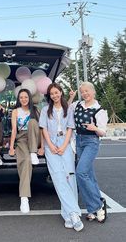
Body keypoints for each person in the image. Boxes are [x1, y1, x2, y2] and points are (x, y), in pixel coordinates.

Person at [39, 83, 84, 231]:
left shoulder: (68, 109)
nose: (54, 95)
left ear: (60, 93)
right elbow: (43, 129)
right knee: (58, 178)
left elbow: (70, 128)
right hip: (51, 144)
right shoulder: (46, 110)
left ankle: (70, 214)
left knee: (70, 177)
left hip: (65, 143)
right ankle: (73, 213)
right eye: (52, 94)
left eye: (56, 93)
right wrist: (51, 146)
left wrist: (64, 146)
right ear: (49, 96)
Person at [69, 81, 108, 223]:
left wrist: (94, 128)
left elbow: (103, 132)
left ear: (93, 92)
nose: (85, 94)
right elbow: (66, 109)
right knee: (89, 175)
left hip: (92, 141)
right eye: (82, 92)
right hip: (79, 141)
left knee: (81, 173)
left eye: (87, 91)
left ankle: (98, 205)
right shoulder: (77, 105)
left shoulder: (100, 110)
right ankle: (93, 208)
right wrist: (72, 97)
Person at [9, 88, 42, 214]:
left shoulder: (35, 110)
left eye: (26, 97)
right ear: (19, 99)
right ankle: (24, 198)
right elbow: (13, 130)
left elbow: (42, 129)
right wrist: (11, 147)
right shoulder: (15, 111)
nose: (23, 99)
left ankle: (33, 152)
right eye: (21, 97)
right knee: (25, 161)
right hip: (22, 138)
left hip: (35, 137)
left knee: (33, 122)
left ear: (29, 98)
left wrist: (42, 147)